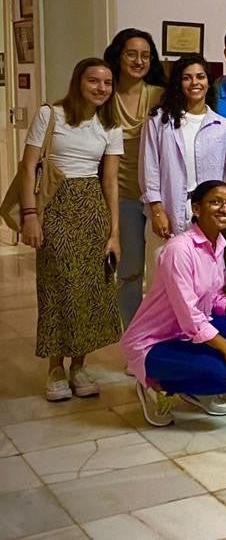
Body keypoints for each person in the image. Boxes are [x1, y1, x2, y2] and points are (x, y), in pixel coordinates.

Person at [19, 58, 123, 401]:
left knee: (91, 289)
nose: (101, 88)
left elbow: (110, 180)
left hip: (92, 206)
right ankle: (54, 367)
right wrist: (30, 215)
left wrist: (114, 232)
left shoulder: (110, 124)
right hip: (56, 205)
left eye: (107, 83)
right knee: (58, 285)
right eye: (94, 81)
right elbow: (28, 165)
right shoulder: (51, 114)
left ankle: (79, 365)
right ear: (79, 81)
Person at [123, 181, 226, 427]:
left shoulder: (218, 243)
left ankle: (193, 388)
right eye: (215, 202)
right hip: (155, 341)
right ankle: (156, 385)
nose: (224, 208)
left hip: (187, 333)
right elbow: (189, 314)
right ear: (197, 209)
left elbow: (214, 294)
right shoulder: (179, 250)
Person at [141, 55, 226, 281]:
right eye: (187, 77)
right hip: (168, 211)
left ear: (208, 82)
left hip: (207, 215)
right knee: (162, 281)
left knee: (202, 282)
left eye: (200, 77)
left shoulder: (223, 127)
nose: (195, 83)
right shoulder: (159, 120)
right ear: (178, 83)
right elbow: (149, 167)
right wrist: (156, 209)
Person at [104, 28, 164, 325]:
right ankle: (133, 340)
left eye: (145, 55)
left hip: (156, 198)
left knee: (160, 271)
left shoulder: (160, 96)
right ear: (118, 55)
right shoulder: (105, 93)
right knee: (128, 272)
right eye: (132, 54)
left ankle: (156, 340)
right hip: (122, 196)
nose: (139, 61)